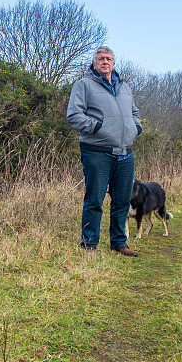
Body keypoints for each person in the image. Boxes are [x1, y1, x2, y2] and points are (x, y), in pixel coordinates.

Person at [66, 46, 142, 256]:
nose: (105, 61)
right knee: (94, 200)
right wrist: (98, 128)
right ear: (94, 63)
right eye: (101, 59)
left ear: (114, 63)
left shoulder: (125, 87)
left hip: (125, 153)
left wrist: (137, 128)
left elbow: (135, 113)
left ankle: (119, 242)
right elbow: (74, 116)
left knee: (122, 201)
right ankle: (89, 245)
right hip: (97, 152)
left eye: (108, 59)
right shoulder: (83, 85)